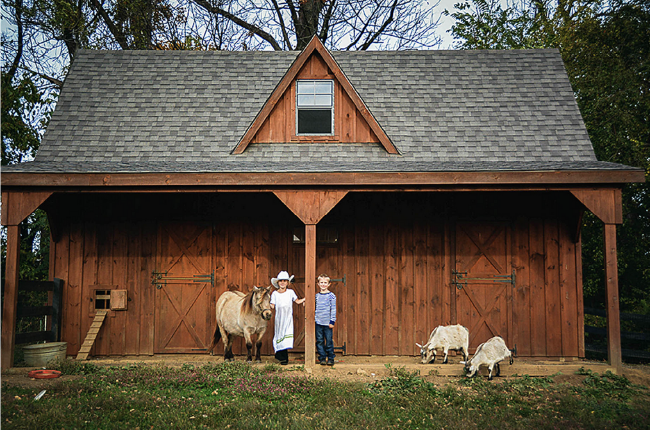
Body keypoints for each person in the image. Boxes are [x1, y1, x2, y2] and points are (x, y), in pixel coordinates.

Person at [270, 271, 305, 365]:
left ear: (287, 283)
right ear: (277, 282)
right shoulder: (275, 294)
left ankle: (284, 358)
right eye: (280, 281)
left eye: (285, 281)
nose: (282, 282)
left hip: (288, 318)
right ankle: (279, 355)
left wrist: (305, 299)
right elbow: (272, 305)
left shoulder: (290, 292)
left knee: (286, 335)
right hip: (279, 319)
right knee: (279, 335)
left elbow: (297, 301)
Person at [315, 273, 337, 366]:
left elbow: (333, 309)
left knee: (328, 341)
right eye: (321, 282)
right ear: (318, 284)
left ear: (328, 284)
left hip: (328, 323)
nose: (323, 284)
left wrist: (332, 321)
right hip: (318, 322)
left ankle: (331, 358)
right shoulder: (316, 296)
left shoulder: (331, 296)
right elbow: (312, 305)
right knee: (319, 340)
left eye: (325, 283)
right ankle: (322, 358)